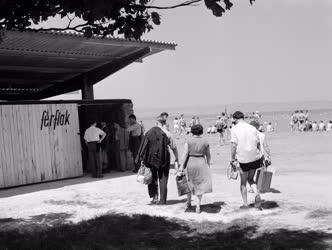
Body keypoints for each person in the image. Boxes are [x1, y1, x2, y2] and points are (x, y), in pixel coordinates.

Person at [136, 113, 180, 205]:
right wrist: (177, 159)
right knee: (163, 179)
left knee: (152, 178)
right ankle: (163, 200)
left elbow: (144, 146)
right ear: (165, 123)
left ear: (157, 122)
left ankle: (154, 198)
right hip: (164, 159)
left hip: (150, 159)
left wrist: (142, 159)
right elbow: (174, 148)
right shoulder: (168, 134)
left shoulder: (148, 132)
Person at [230, 111, 263, 209]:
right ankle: (256, 194)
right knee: (251, 179)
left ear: (235, 119)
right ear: (243, 118)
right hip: (255, 157)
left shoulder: (234, 128)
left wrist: (232, 159)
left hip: (243, 159)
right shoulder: (252, 127)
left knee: (243, 182)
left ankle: (245, 204)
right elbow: (257, 143)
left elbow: (233, 145)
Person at [180, 124, 212, 213]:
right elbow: (208, 155)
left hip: (191, 162)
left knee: (189, 183)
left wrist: (181, 165)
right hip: (201, 162)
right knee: (200, 185)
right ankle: (198, 205)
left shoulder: (188, 140)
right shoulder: (205, 141)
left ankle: (189, 202)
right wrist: (208, 164)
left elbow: (185, 154)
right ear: (201, 131)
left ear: (192, 131)